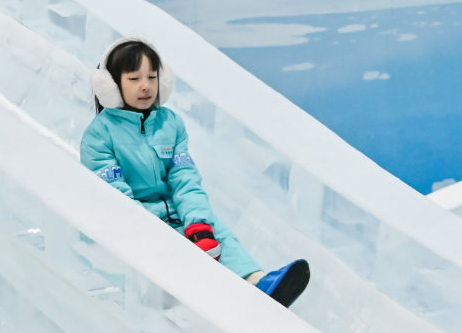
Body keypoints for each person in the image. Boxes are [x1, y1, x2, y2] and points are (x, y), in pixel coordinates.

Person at [80, 37, 310, 308]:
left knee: (216, 230)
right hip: (136, 223)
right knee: (180, 244)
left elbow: (185, 178)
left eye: (152, 77)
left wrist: (197, 223)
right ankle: (220, 298)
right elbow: (115, 195)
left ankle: (258, 284)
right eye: (134, 78)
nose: (145, 86)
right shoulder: (99, 135)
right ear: (111, 86)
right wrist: (160, 224)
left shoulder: (171, 123)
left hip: (175, 211)